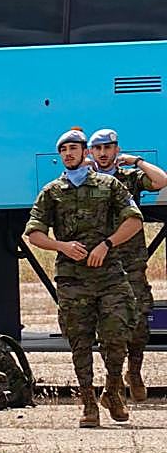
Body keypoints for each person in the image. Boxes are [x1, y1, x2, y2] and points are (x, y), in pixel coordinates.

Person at [25, 129, 143, 427]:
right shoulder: (52, 191)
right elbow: (34, 233)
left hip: (110, 274)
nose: (68, 154)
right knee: (79, 340)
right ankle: (89, 402)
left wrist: (108, 244)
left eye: (74, 149)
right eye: (63, 150)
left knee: (117, 334)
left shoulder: (109, 185)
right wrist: (60, 246)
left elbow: (134, 220)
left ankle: (113, 389)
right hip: (72, 278)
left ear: (85, 153)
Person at [88, 128, 167, 402]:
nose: (103, 153)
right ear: (90, 152)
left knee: (138, 322)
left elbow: (161, 181)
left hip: (131, 261)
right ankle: (113, 381)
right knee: (108, 325)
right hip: (100, 262)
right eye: (97, 148)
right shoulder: (86, 179)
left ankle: (134, 372)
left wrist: (137, 161)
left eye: (107, 148)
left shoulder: (128, 177)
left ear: (116, 149)